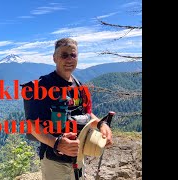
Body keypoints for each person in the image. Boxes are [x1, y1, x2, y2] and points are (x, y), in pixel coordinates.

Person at [21, 37, 113, 180]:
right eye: (64, 55)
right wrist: (57, 143)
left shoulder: (80, 86)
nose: (69, 59)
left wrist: (101, 124)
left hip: (79, 155)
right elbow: (32, 125)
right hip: (54, 160)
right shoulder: (39, 87)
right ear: (54, 58)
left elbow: (87, 114)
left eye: (73, 55)